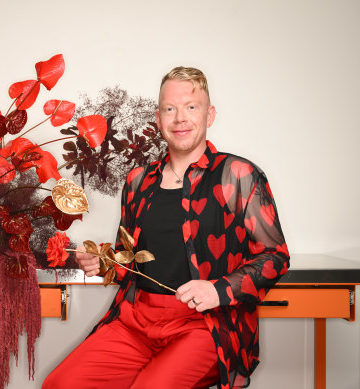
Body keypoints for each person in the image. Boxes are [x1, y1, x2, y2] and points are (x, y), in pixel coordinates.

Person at [42, 67, 289, 389]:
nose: (179, 118)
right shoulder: (137, 181)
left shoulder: (237, 174)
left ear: (209, 114)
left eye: (191, 107)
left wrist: (219, 288)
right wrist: (105, 262)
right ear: (158, 118)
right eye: (170, 109)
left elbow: (274, 256)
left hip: (204, 325)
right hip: (135, 320)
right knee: (61, 385)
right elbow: (133, 259)